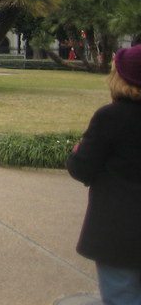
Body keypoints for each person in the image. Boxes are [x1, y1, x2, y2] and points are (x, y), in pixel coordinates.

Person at [67, 44, 141, 305]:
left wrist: (77, 151)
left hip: (119, 231)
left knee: (122, 297)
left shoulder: (112, 117)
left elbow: (82, 167)